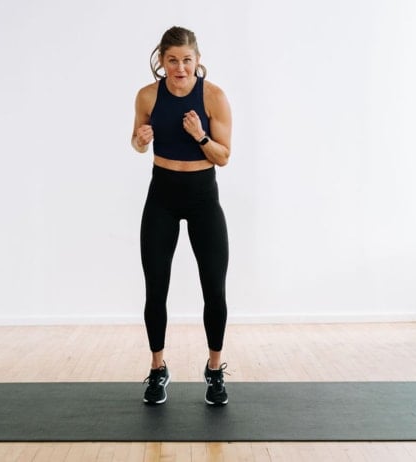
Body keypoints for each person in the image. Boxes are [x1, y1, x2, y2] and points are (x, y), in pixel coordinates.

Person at [131, 26, 232, 406]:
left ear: (197, 60)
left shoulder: (214, 97)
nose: (179, 67)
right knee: (156, 289)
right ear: (161, 61)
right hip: (162, 196)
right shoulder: (147, 95)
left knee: (214, 288)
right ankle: (158, 369)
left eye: (186, 59)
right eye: (171, 60)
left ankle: (215, 369)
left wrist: (199, 136)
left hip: (203, 197)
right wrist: (139, 141)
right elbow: (137, 142)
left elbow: (223, 156)